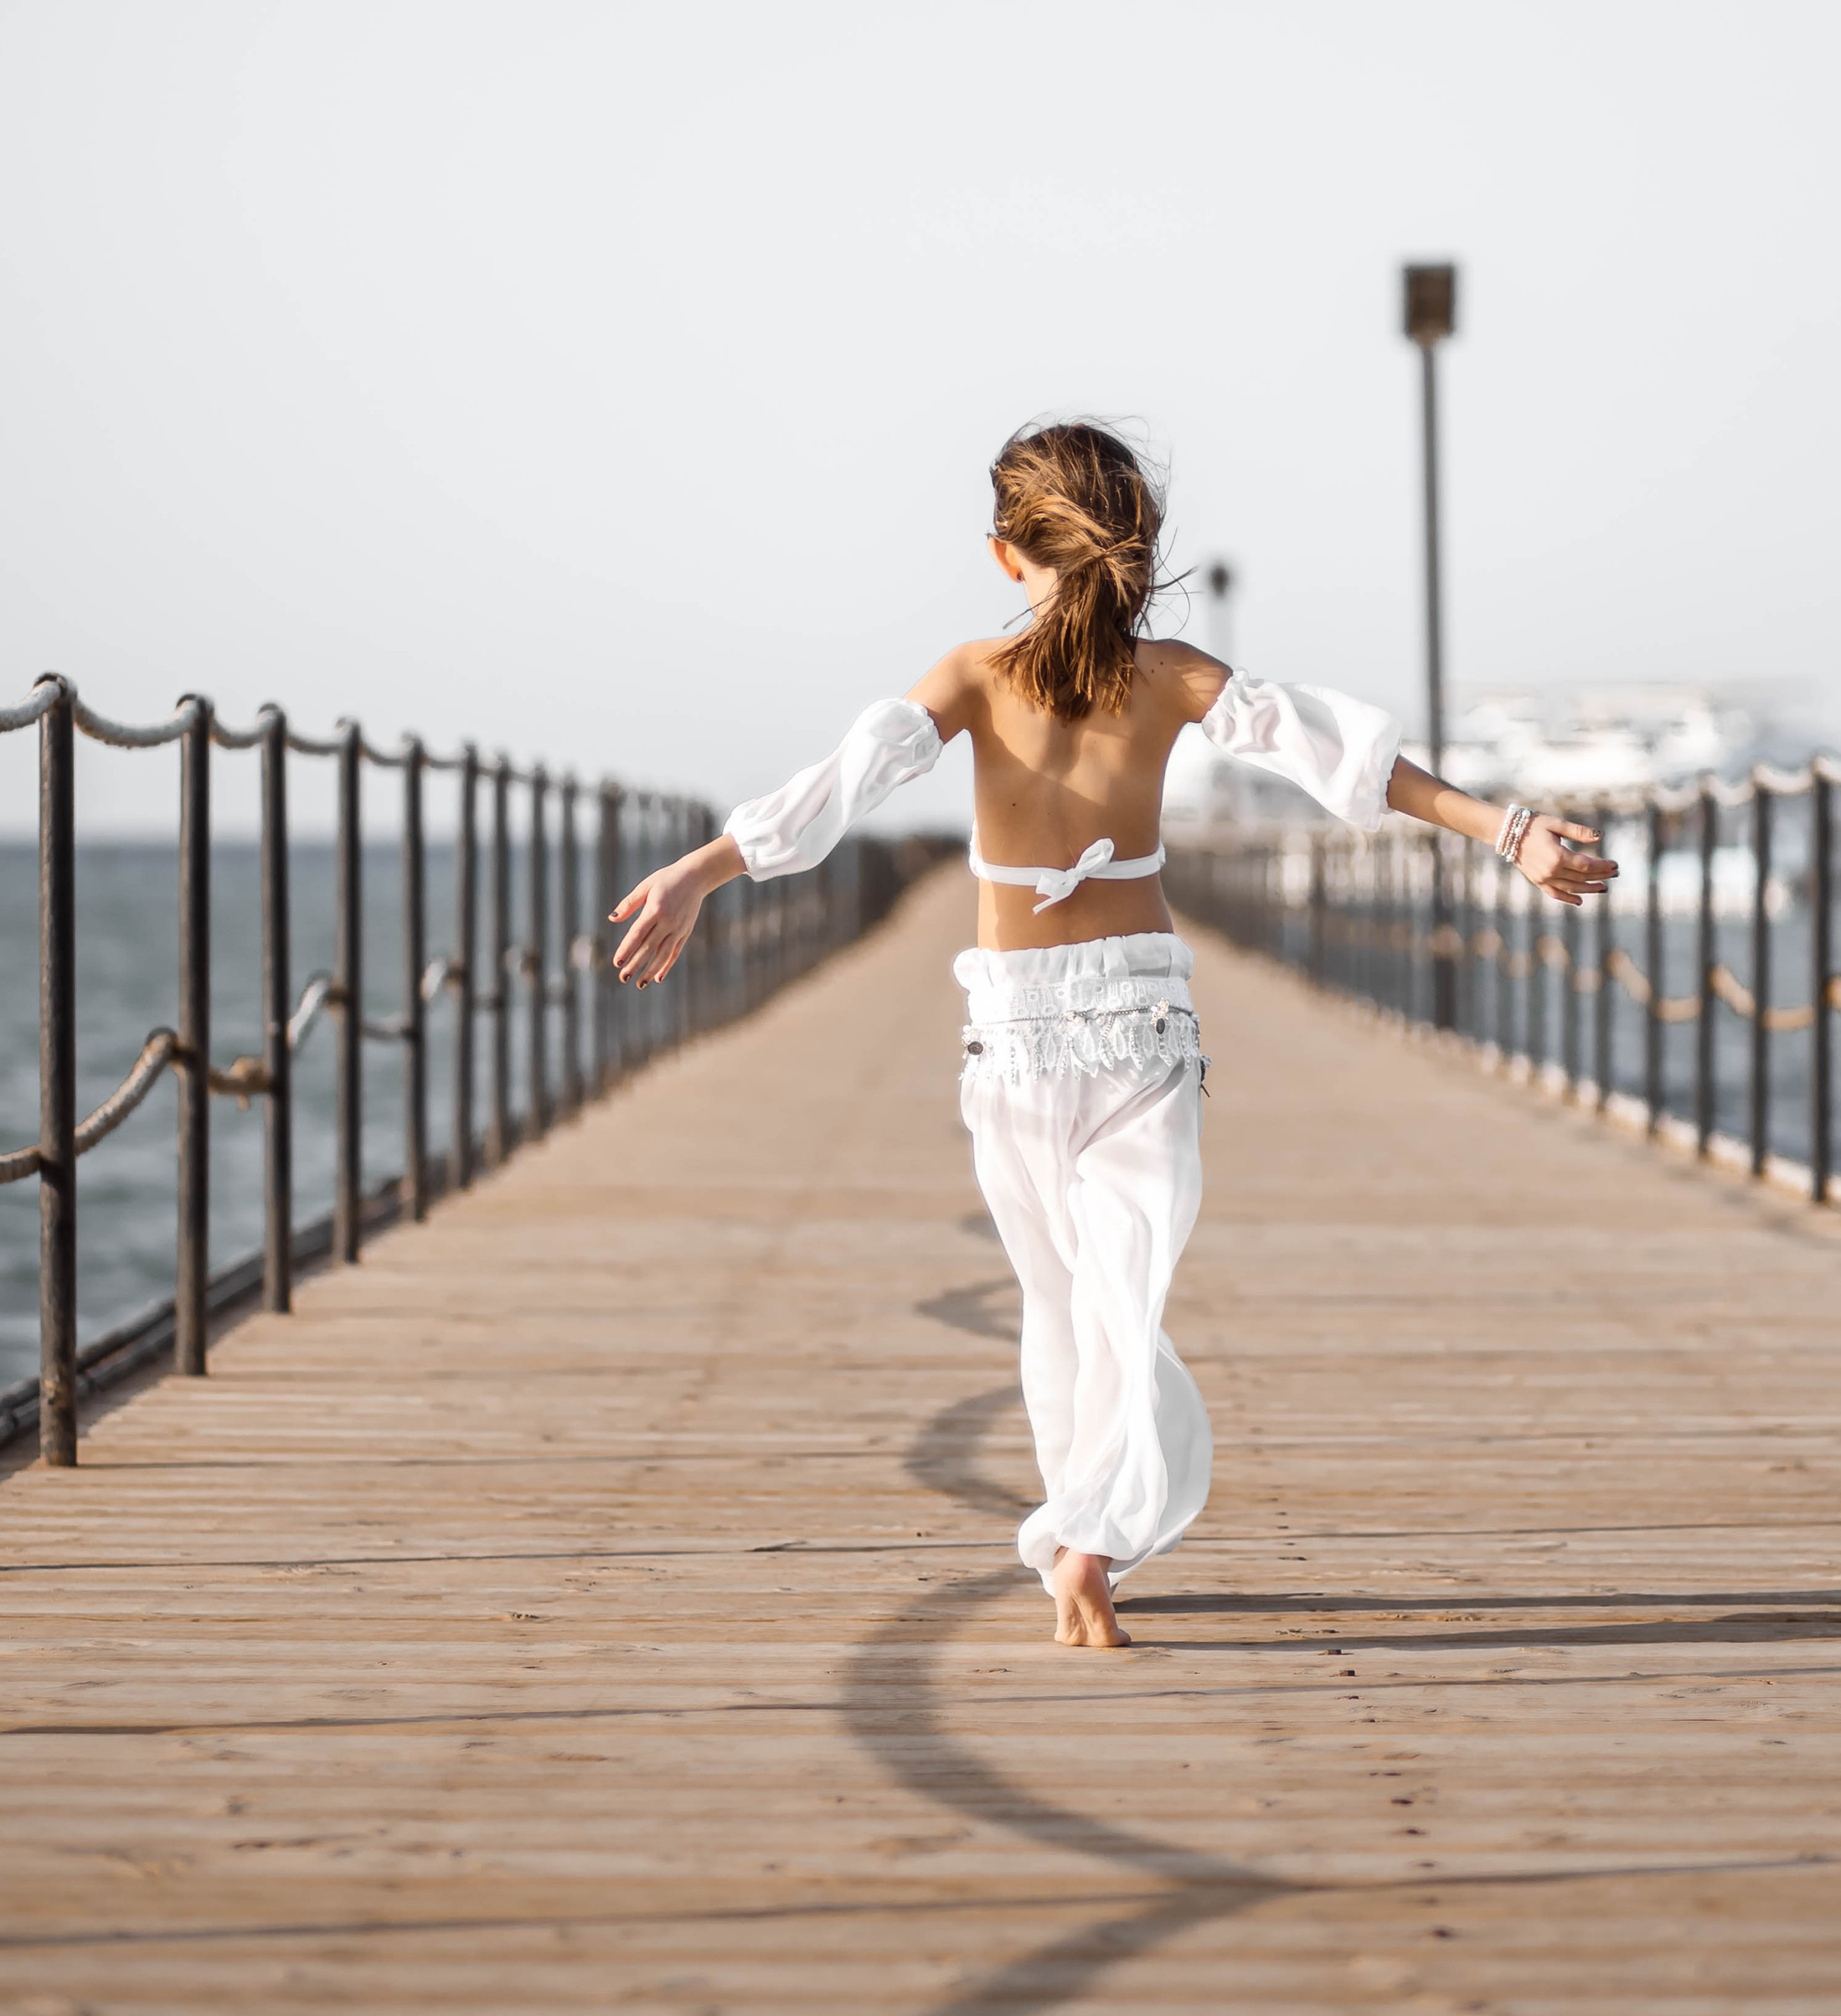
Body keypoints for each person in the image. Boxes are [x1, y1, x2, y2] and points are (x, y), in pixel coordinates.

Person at [611, 420, 1612, 1651]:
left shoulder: (975, 675)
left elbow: (846, 782)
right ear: (1136, 543)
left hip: (1018, 1032)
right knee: (1117, 1303)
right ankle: (1088, 1536)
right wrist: (1509, 832)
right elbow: (1341, 759)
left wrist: (703, 870)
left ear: (1005, 553)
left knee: (1062, 1305)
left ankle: (1083, 1533)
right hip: (1138, 1024)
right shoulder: (1171, 675)